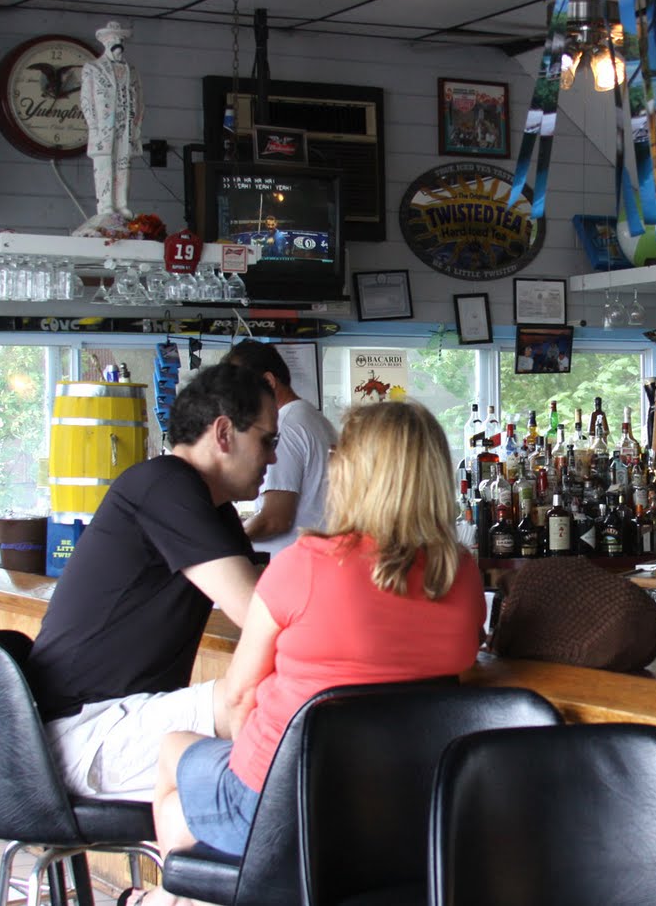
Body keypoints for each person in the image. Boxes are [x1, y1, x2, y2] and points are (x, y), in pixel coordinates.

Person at [137, 401, 485, 902]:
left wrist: (250, 762)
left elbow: (238, 696)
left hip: (288, 803)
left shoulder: (305, 564)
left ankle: (170, 895)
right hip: (405, 816)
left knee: (173, 755)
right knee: (190, 806)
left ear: (353, 472)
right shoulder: (463, 574)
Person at [25, 362, 275, 799]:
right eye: (266, 440)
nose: (272, 457)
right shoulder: (164, 484)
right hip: (83, 733)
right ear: (223, 433)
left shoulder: (209, 506)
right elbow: (256, 610)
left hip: (120, 721)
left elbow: (276, 592)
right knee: (255, 697)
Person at [225, 339, 337, 557]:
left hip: (291, 563)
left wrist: (222, 541)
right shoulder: (312, 417)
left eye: (241, 389)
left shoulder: (285, 425)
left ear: (269, 381)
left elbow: (275, 520)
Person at [74, 20, 145, 236]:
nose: (118, 45)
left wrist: (136, 124)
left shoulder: (130, 70)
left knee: (123, 164)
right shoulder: (93, 68)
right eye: (114, 40)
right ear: (105, 43)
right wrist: (94, 126)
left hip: (125, 125)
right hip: (104, 126)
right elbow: (86, 100)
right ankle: (105, 205)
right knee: (105, 165)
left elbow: (139, 98)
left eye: (120, 40)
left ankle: (121, 203)